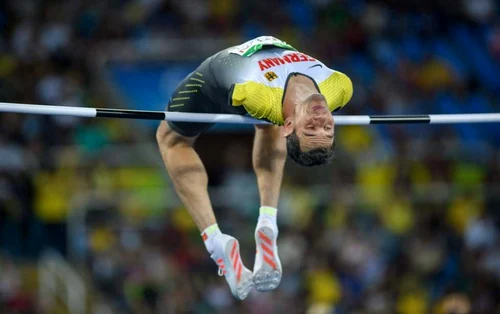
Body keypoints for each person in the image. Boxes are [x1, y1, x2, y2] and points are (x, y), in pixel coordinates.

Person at [156, 36, 353, 300]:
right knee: (270, 123)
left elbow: (269, 109)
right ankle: (268, 222)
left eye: (311, 127)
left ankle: (216, 242)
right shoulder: (340, 88)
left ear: (290, 126)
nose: (320, 119)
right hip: (265, 79)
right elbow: (285, 121)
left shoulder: (258, 96)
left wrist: (287, 109)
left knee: (171, 140)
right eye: (326, 128)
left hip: (218, 82)